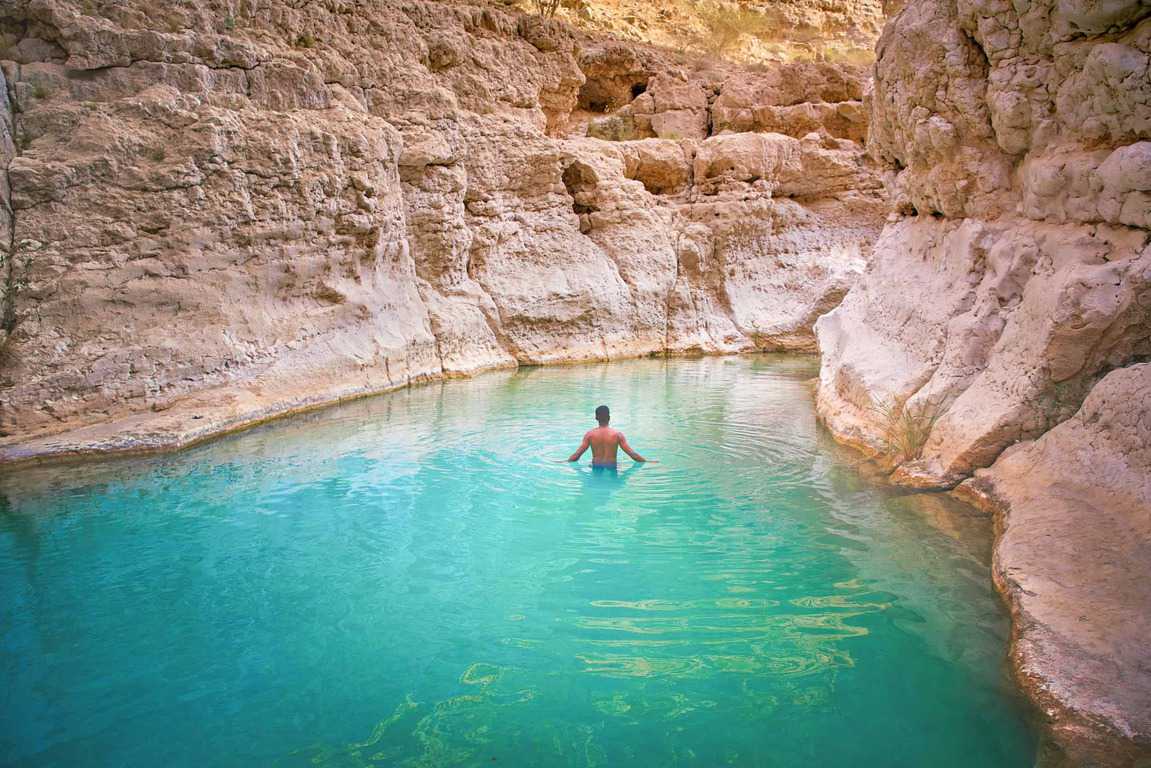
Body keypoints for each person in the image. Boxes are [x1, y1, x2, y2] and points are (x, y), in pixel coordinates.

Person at [566, 405, 653, 468]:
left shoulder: (590, 435)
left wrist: (564, 462)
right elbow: (632, 454)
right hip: (611, 466)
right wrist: (647, 462)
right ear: (609, 417)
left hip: (596, 466)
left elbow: (577, 455)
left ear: (596, 418)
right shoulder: (617, 435)